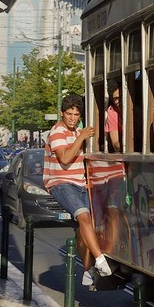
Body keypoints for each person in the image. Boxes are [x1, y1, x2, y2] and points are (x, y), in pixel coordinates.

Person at [45, 95, 111, 287]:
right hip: (60, 183)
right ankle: (100, 261)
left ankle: (88, 270)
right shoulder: (57, 132)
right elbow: (65, 159)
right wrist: (81, 137)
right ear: (62, 113)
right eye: (69, 114)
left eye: (76, 114)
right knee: (83, 217)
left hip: (79, 183)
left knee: (83, 231)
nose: (72, 118)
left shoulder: (77, 132)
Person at [104, 88, 122, 153]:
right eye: (114, 99)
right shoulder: (112, 110)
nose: (116, 101)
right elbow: (115, 144)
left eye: (119, 98)